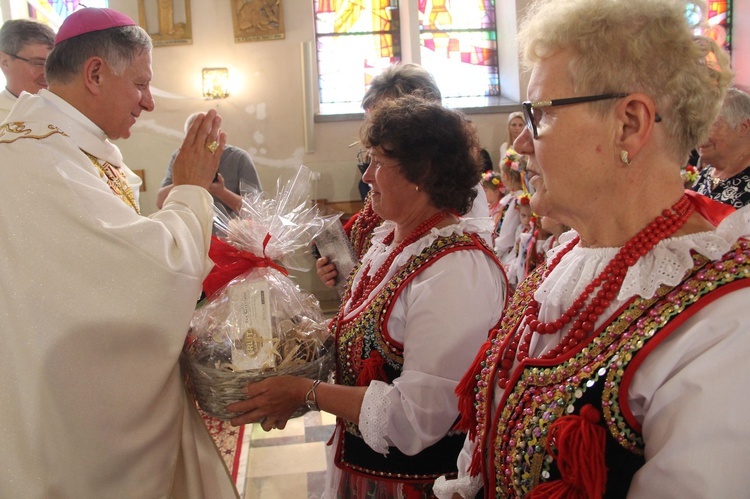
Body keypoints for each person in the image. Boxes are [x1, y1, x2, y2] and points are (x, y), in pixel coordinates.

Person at [434, 0, 750, 497]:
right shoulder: (570, 254)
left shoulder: (726, 325)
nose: (520, 146)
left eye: (539, 114)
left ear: (629, 123)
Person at [0, 8, 237, 498]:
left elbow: (105, 258)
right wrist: (193, 190)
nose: (148, 102)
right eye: (140, 84)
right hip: (70, 419)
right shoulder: (42, 160)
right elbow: (146, 277)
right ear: (94, 73)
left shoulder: (57, 146)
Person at [227, 96, 507, 498]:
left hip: (416, 485)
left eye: (378, 162)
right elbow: (364, 329)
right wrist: (292, 342)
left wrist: (304, 392)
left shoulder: (455, 270)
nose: (367, 176)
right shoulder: (391, 242)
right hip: (366, 471)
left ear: (422, 172)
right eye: (367, 160)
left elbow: (417, 419)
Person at [315, 63, 490, 287]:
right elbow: (362, 236)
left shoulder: (451, 187)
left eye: (386, 117)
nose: (376, 128)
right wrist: (335, 264)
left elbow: (464, 270)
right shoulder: (387, 176)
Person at [157, 111, 263, 214]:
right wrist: (183, 182)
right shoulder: (180, 157)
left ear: (217, 134)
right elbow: (160, 202)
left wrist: (221, 192)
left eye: (207, 136)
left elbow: (256, 209)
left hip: (231, 230)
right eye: (195, 137)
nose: (202, 142)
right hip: (192, 228)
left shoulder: (239, 158)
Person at [692, 87, 750, 208]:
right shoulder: (707, 173)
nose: (699, 136)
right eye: (698, 127)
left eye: (710, 126)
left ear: (743, 127)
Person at [0, 19, 55, 120]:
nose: (48, 73)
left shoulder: (63, 110)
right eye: (39, 63)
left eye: (53, 64)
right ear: (5, 62)